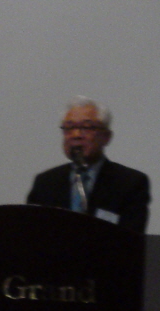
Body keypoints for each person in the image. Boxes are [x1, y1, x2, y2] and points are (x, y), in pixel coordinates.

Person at [26, 96, 151, 233]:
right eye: (69, 128)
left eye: (86, 127)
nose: (76, 135)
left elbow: (131, 237)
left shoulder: (130, 183)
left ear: (106, 137)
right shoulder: (45, 183)